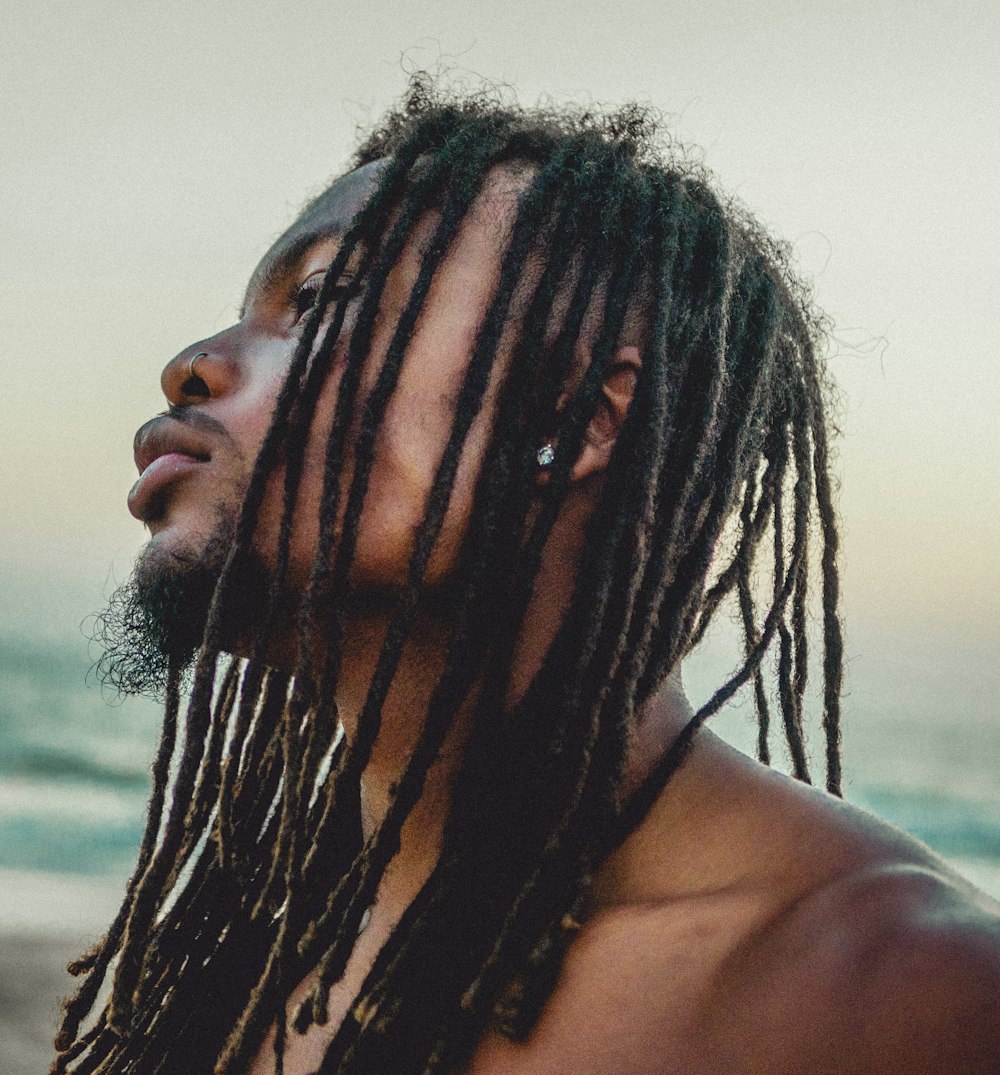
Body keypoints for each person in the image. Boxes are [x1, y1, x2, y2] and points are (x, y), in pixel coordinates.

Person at [56, 79, 999, 1074]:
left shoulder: (896, 991)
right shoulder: (248, 952)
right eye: (239, 315)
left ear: (578, 413)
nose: (193, 365)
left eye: (321, 300)